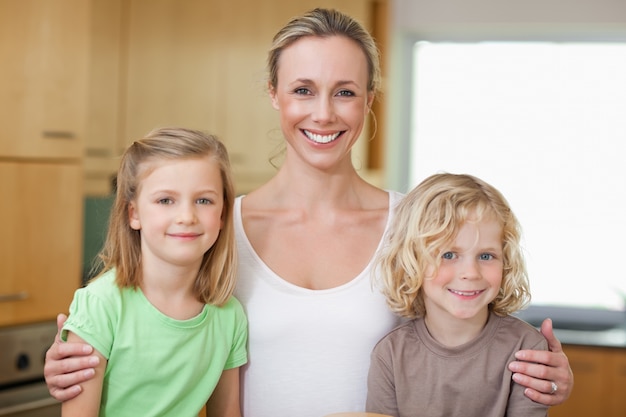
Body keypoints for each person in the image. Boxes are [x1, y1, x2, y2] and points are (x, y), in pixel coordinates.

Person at [43, 8, 572, 417]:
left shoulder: (414, 226)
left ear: (368, 101)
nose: (324, 113)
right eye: (303, 90)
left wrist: (541, 372)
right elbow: (155, 333)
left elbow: (474, 327)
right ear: (274, 94)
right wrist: (86, 362)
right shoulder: (215, 230)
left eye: (344, 92)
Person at [60, 127, 248, 417]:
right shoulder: (101, 305)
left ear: (222, 214)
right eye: (165, 200)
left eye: (204, 200)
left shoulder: (229, 315)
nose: (186, 216)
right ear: (133, 214)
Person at [366, 173, 549, 417]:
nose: (470, 273)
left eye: (486, 256)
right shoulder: (390, 354)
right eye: (449, 255)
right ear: (412, 261)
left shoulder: (526, 348)